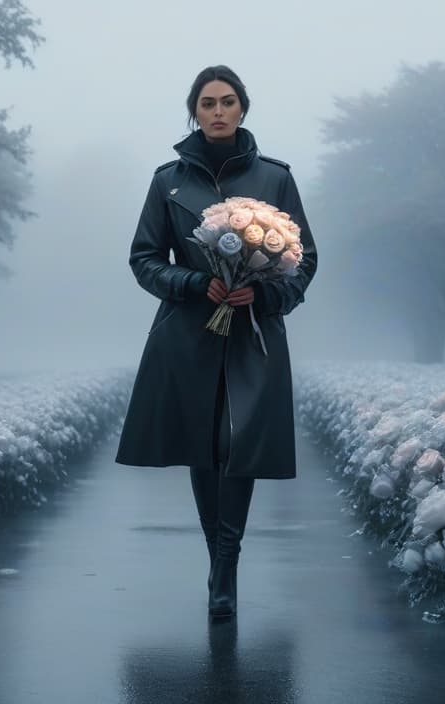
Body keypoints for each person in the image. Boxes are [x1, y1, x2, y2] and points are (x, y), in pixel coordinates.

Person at [114, 65, 319, 619]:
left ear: (243, 108)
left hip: (254, 332)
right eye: (208, 103)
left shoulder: (276, 178)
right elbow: (144, 258)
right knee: (204, 448)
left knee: (240, 446)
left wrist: (268, 296)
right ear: (195, 111)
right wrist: (193, 282)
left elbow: (306, 260)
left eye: (228, 101)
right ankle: (219, 563)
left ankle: (226, 561)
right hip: (187, 332)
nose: (219, 111)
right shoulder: (167, 181)